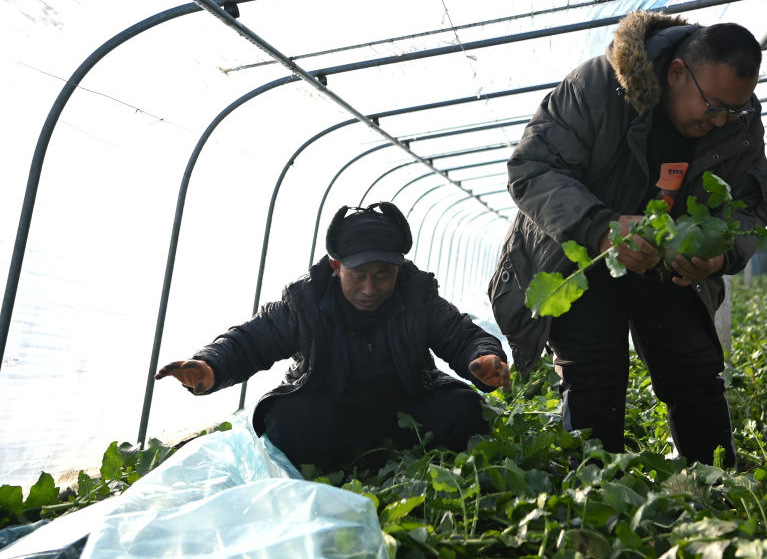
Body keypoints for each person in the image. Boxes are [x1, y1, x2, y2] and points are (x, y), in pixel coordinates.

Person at [489, 11, 767, 467]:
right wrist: (601, 229)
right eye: (714, 107)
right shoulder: (597, 87)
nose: (722, 121)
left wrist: (718, 256)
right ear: (678, 72)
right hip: (579, 257)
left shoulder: (738, 117)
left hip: (668, 266)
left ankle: (718, 486)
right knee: (594, 380)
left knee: (696, 372)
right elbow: (531, 169)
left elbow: (748, 203)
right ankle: (595, 500)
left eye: (733, 110)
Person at [157, 201, 511, 472]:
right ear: (336, 267)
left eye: (383, 275)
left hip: (405, 413)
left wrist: (483, 358)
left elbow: (460, 334)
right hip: (333, 416)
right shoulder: (305, 303)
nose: (370, 288)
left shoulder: (418, 296)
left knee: (463, 408)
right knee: (286, 421)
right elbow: (252, 340)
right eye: (358, 275)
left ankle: (386, 458)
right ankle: (348, 463)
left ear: (398, 270)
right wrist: (210, 366)